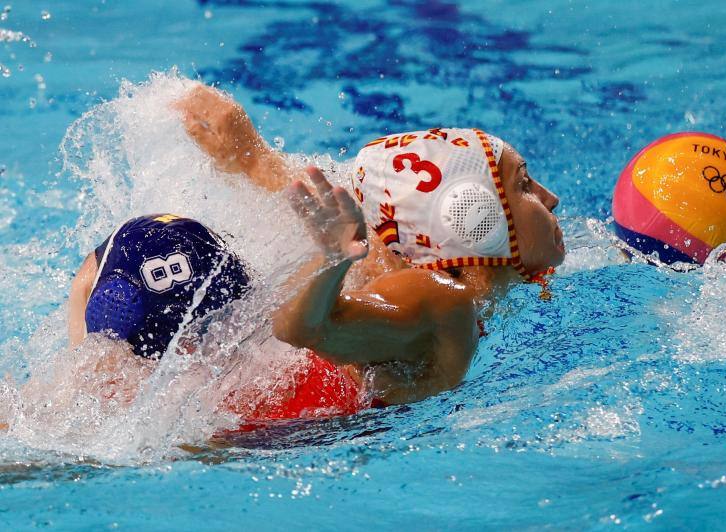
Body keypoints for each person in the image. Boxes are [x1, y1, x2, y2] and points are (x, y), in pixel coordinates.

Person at [61, 84, 565, 426]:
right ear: (473, 218)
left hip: (202, 381)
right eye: (523, 184)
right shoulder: (440, 297)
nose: (549, 198)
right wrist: (330, 261)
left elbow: (351, 216)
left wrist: (250, 157)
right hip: (231, 431)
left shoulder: (398, 260)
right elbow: (300, 329)